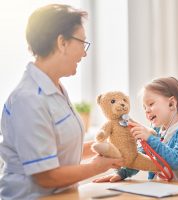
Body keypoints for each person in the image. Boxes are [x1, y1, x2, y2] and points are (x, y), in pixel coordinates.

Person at [0, 4, 122, 199]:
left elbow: (61, 150)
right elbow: (46, 176)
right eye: (82, 43)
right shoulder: (28, 99)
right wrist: (98, 167)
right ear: (62, 42)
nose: (84, 53)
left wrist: (109, 145)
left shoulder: (55, 88)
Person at [93, 77, 178, 182]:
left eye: (150, 104)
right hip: (159, 190)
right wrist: (121, 173)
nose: (147, 111)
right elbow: (138, 157)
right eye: (144, 107)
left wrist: (150, 138)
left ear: (171, 103)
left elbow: (177, 161)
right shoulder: (156, 130)